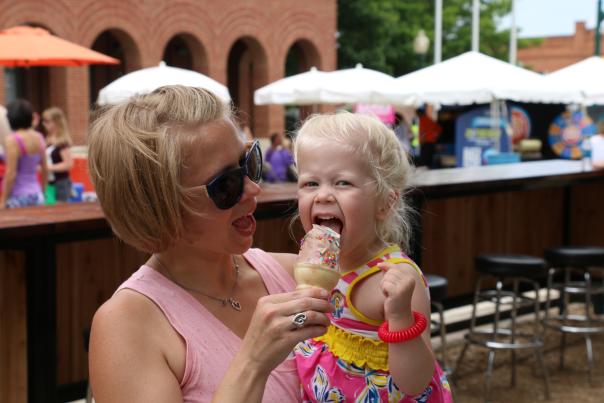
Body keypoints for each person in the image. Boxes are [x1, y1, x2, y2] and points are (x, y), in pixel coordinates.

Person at [87, 85, 332, 402]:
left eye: (250, 163)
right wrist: (253, 362)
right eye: (227, 184)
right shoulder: (127, 326)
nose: (253, 189)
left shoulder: (292, 274)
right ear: (160, 208)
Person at [293, 112, 452, 402]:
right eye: (310, 183)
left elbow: (416, 381)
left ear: (385, 203)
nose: (323, 196)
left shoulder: (395, 280)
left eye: (342, 183)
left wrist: (400, 315)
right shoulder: (317, 263)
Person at [0, 99, 47, 209]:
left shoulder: (13, 140)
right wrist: (43, 191)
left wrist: (3, 201)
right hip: (37, 195)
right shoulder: (39, 137)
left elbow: (11, 173)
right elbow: (45, 168)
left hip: (18, 197)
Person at [42, 107, 74, 202]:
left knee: (60, 211)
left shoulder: (62, 141)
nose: (44, 124)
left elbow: (68, 164)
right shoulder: (47, 138)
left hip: (61, 183)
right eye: (44, 121)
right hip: (49, 182)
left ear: (56, 122)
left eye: (47, 121)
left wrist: (47, 167)